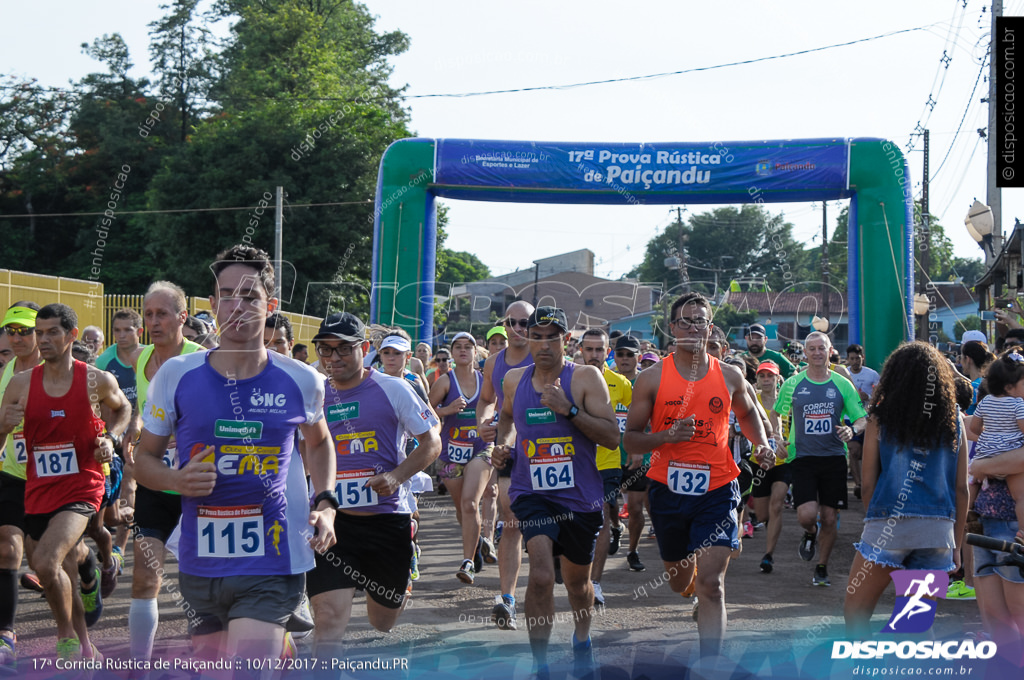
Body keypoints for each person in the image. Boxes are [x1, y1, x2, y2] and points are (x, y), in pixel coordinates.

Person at [134, 244, 337, 662]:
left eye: (250, 296)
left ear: (271, 305)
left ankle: (270, 639)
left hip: (272, 561)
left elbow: (318, 442)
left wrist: (327, 502)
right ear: (212, 304)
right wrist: (174, 480)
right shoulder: (176, 375)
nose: (237, 306)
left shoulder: (303, 381)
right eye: (227, 295)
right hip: (201, 563)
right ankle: (279, 648)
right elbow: (143, 459)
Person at [624, 292, 774, 657]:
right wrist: (666, 437)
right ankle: (690, 584)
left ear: (711, 328)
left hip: (718, 487)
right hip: (666, 488)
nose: (693, 328)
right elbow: (630, 439)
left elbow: (748, 414)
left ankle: (712, 663)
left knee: (713, 585)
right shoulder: (652, 377)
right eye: (686, 321)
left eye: (700, 321)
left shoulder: (730, 374)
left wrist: (762, 443)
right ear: (673, 327)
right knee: (680, 582)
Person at [0, 303, 131, 662]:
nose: (42, 340)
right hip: (38, 488)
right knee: (64, 567)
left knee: (44, 561)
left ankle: (66, 639)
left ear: (72, 335)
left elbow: (122, 408)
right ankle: (86, 644)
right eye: (38, 333)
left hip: (82, 486)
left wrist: (112, 439)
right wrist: (2, 426)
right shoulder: (21, 384)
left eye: (51, 332)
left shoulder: (95, 380)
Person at [492, 306, 619, 676]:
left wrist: (570, 411)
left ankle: (582, 638)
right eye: (537, 336)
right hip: (532, 493)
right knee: (543, 575)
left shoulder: (584, 378)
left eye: (552, 336)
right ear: (526, 338)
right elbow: (506, 419)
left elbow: (612, 436)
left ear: (566, 340)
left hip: (581, 497)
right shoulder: (514, 380)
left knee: (578, 584)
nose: (544, 344)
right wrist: (503, 446)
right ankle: (541, 663)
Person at [305, 311, 440, 658]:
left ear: (364, 348)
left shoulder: (393, 388)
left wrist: (397, 477)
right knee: (328, 619)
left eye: (343, 349)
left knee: (383, 621)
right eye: (325, 350)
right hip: (332, 521)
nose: (333, 358)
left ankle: (403, 569)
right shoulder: (314, 393)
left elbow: (431, 443)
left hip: (386, 521)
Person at [843, 342, 968, 638]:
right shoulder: (954, 419)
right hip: (938, 532)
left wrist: (876, 521)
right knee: (914, 625)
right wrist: (956, 545)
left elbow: (868, 483)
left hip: (888, 522)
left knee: (855, 613)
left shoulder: (881, 418)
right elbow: (961, 488)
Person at [127, 282, 205, 665]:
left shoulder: (203, 359)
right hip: (156, 481)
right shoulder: (140, 359)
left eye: (162, 314)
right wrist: (135, 434)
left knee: (203, 584)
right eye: (148, 314)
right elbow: (145, 408)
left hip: (199, 483)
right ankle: (139, 665)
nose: (153, 322)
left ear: (182, 317)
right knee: (144, 576)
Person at [771, 331, 867, 587]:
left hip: (834, 457)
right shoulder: (793, 383)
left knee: (828, 517)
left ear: (830, 350)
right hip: (802, 457)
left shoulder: (842, 384)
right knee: (806, 515)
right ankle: (809, 534)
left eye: (820, 348)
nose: (816, 353)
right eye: (811, 348)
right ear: (805, 353)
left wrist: (852, 430)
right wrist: (778, 439)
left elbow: (862, 417)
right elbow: (776, 414)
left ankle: (822, 566)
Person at [477, 299, 534, 631]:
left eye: (524, 323)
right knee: (510, 519)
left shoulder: (548, 358)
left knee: (545, 525)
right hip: (509, 448)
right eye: (511, 322)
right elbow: (486, 399)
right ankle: (508, 600)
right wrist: (485, 423)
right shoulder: (495, 362)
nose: (516, 329)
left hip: (548, 451)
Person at [429, 331, 494, 583]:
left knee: (470, 503)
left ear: (475, 352)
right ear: (452, 353)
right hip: (451, 453)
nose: (463, 350)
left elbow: (497, 407)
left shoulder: (485, 379)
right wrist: (447, 409)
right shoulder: (445, 381)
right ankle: (475, 545)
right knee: (462, 509)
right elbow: (426, 411)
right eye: (458, 347)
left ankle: (467, 561)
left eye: (469, 346)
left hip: (481, 447)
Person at [0, 303, 42, 669]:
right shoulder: (6, 374)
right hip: (12, 473)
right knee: (8, 549)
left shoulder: (60, 373)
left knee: (48, 560)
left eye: (23, 330)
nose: (16, 338)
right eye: (10, 331)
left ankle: (91, 566)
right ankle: (7, 633)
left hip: (54, 478)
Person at [579, 329, 631, 609]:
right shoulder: (568, 379)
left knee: (599, 521)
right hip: (572, 463)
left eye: (600, 350)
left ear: (607, 352)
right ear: (580, 350)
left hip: (608, 464)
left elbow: (636, 418)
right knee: (573, 523)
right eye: (590, 349)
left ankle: (594, 583)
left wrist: (635, 451)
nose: (595, 355)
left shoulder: (620, 383)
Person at [968, 349, 1024, 528]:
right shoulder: (1018, 403)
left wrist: (990, 434)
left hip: (986, 450)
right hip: (1010, 450)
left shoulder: (986, 401)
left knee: (974, 479)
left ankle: (970, 510)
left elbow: (973, 427)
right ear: (1009, 387)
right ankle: (1023, 533)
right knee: (1021, 497)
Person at [750, 360, 792, 575]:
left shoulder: (787, 403)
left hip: (783, 462)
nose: (766, 380)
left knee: (776, 505)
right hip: (758, 462)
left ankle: (768, 555)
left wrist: (788, 444)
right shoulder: (751, 401)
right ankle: (769, 528)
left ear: (778, 379)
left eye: (770, 376)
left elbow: (796, 429)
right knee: (762, 514)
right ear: (756, 380)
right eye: (762, 376)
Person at [613, 334, 649, 572]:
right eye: (620, 354)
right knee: (606, 505)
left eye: (630, 354)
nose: (625, 359)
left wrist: (638, 448)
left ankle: (633, 550)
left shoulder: (646, 384)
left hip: (638, 456)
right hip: (608, 455)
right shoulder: (605, 380)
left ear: (638, 357)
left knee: (636, 508)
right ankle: (615, 527)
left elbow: (654, 421)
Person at [844, 344, 878, 500]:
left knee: (869, 452)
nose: (855, 362)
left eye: (857, 358)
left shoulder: (872, 375)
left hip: (868, 419)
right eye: (852, 359)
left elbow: (879, 397)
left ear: (862, 358)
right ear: (848, 359)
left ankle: (869, 483)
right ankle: (858, 484)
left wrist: (868, 398)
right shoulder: (843, 374)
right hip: (849, 419)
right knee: (853, 449)